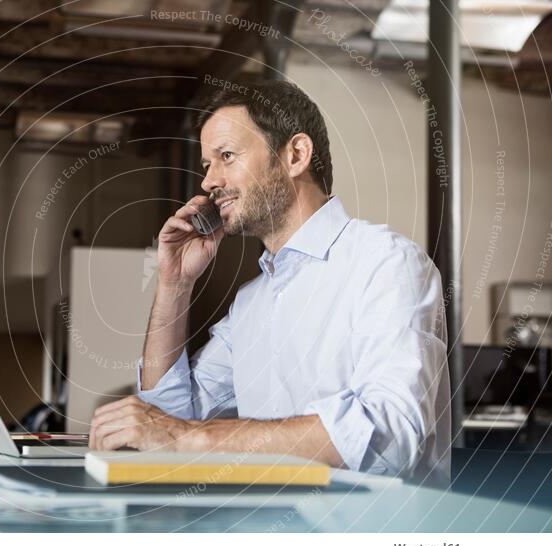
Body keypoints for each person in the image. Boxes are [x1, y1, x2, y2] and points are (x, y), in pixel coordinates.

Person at [88, 79, 451, 485]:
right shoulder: (251, 304)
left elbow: (390, 437)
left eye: (227, 156)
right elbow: (170, 419)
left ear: (296, 155)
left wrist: (184, 437)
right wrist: (174, 286)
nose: (209, 182)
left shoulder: (386, 264)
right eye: (208, 165)